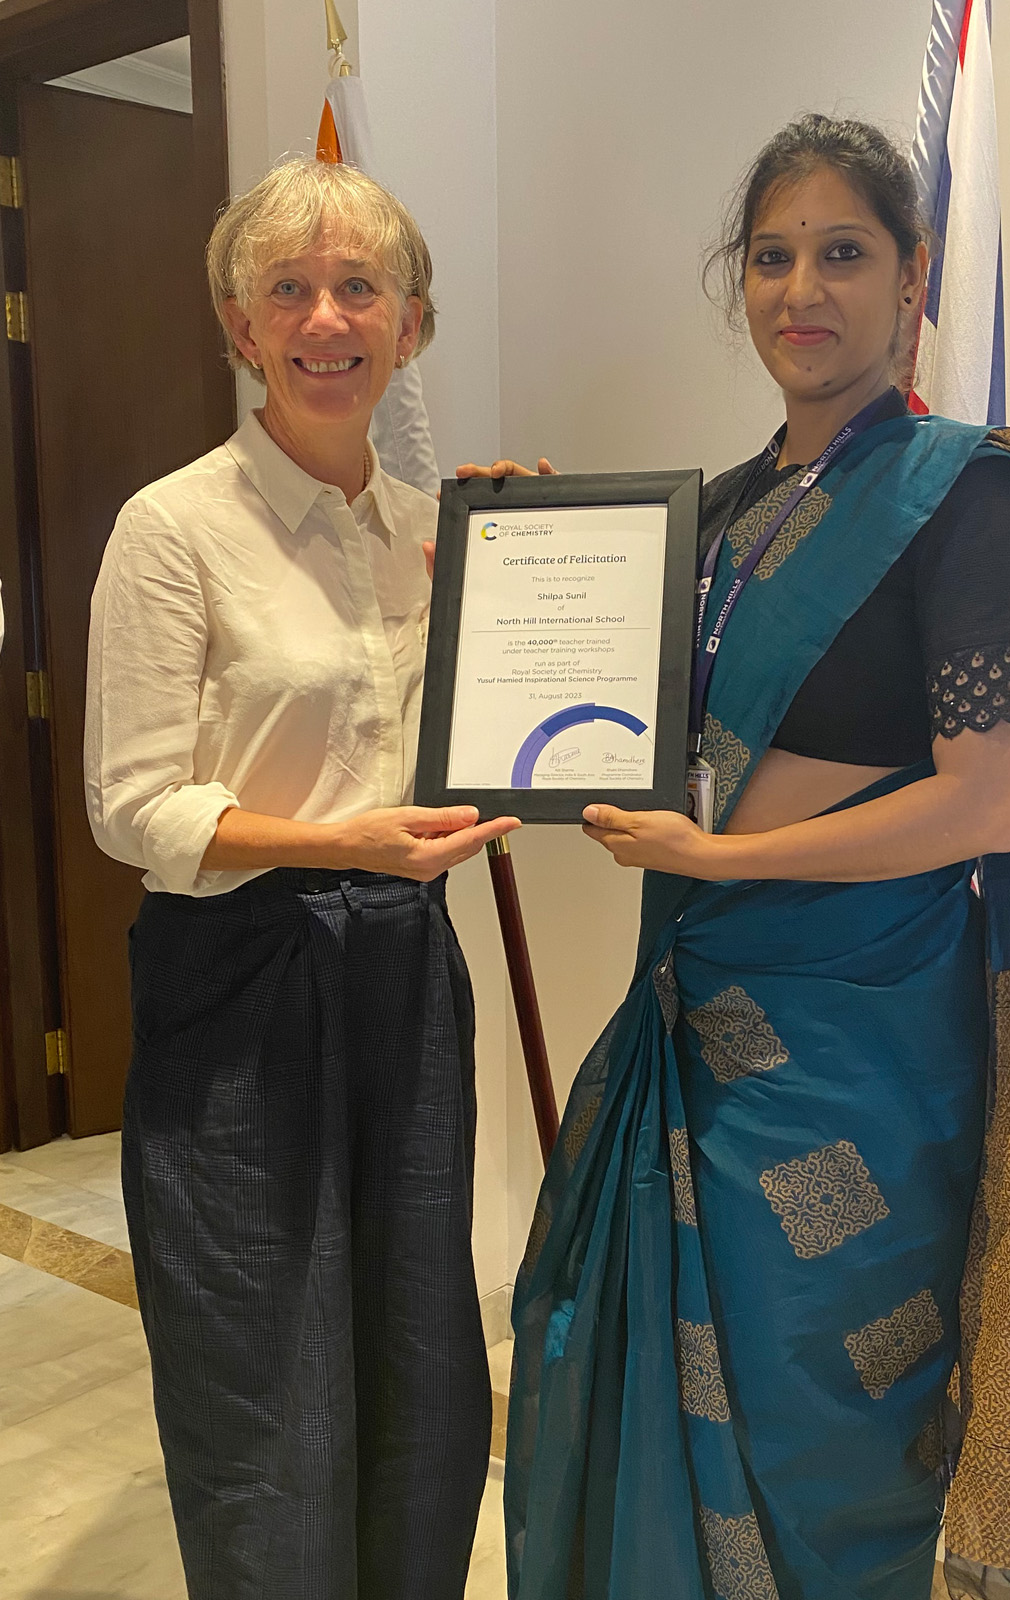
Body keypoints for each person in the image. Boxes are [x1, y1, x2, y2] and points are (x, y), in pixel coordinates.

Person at [459, 117, 1010, 1600]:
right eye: (771, 257)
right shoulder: (715, 515)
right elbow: (604, 717)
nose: (801, 289)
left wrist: (721, 857)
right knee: (651, 1366)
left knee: (835, 1413)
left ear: (912, 278)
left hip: (862, 1044)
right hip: (694, 1014)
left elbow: (988, 802)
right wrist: (522, 549)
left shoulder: (965, 494)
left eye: (843, 252)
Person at [85, 157, 519, 1600]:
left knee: (416, 1349)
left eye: (359, 287)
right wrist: (346, 844)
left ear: (412, 324)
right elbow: (133, 809)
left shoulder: (439, 533)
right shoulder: (174, 528)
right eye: (289, 289)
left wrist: (540, 554)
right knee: (258, 1361)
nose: (326, 317)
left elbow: (497, 723)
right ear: (240, 326)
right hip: (241, 980)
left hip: (407, 967)